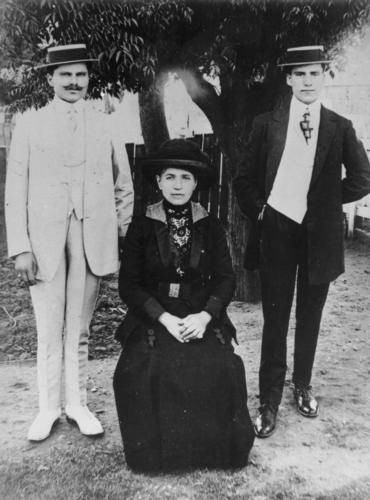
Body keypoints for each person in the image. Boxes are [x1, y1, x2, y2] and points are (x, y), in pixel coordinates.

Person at [234, 45, 370, 438]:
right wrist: (262, 211)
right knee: (275, 317)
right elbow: (243, 179)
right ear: (288, 78)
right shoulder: (267, 123)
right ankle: (269, 400)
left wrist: (326, 203)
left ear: (323, 76)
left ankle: (303, 386)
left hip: (319, 237)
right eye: (300, 74)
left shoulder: (338, 126)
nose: (308, 81)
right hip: (277, 231)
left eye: (315, 74)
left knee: (310, 316)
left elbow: (363, 177)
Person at [5, 44, 134, 441]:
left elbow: (123, 183)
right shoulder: (29, 123)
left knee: (79, 328)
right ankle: (47, 409)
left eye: (80, 74)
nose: (74, 82)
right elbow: (15, 188)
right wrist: (20, 246)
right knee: (48, 327)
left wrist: (120, 229)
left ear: (88, 78)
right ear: (50, 79)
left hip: (90, 236)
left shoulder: (104, 122)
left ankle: (76, 404)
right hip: (44, 240)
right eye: (65, 75)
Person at [113, 139, 254, 472]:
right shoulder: (142, 225)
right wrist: (163, 318)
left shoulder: (210, 224)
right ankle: (157, 458)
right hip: (155, 315)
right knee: (144, 369)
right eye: (171, 177)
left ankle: (212, 454)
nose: (178, 185)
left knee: (220, 366)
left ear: (196, 183)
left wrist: (206, 316)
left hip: (198, 313)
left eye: (186, 178)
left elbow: (225, 278)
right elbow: (128, 284)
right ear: (159, 181)